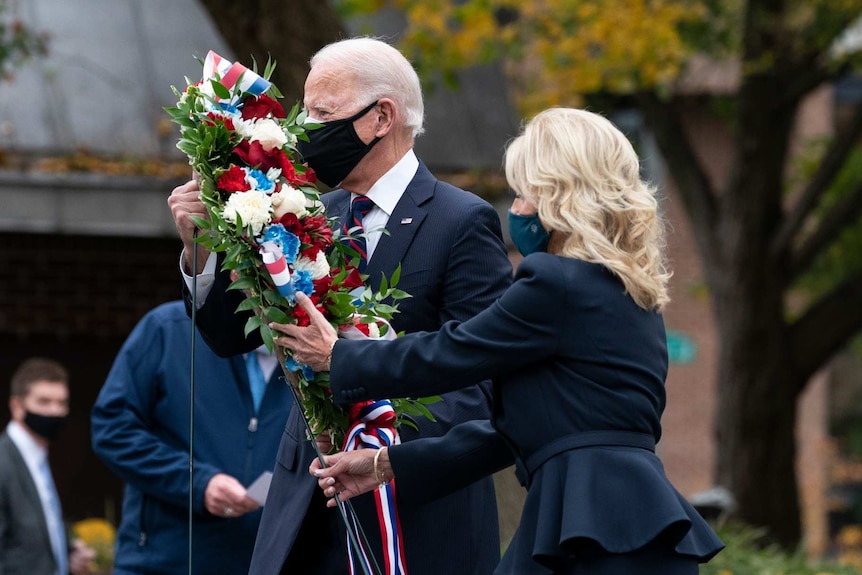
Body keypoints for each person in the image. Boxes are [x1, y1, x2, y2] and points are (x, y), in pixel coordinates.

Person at [276, 107, 726, 574]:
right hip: (633, 522)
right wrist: (386, 464)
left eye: (524, 192)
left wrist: (340, 356)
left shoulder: (554, 282)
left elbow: (455, 351)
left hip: (587, 529)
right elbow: (514, 431)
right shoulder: (633, 293)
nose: (517, 209)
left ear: (558, 196)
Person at [167, 37, 514, 574]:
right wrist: (200, 246)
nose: (303, 131)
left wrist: (377, 442)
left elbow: (480, 386)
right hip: (306, 508)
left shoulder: (462, 221)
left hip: (411, 509)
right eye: (303, 112)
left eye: (321, 114)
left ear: (382, 117)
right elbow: (230, 337)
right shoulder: (305, 211)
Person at [90, 300, 293, 574]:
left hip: (261, 565)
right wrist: (196, 482)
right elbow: (112, 428)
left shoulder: (313, 358)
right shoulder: (169, 329)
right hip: (162, 561)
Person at [0, 358, 95, 575]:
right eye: (44, 402)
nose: (54, 411)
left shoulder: (38, 458)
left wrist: (67, 554)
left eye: (61, 403)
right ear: (17, 406)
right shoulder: (4, 462)